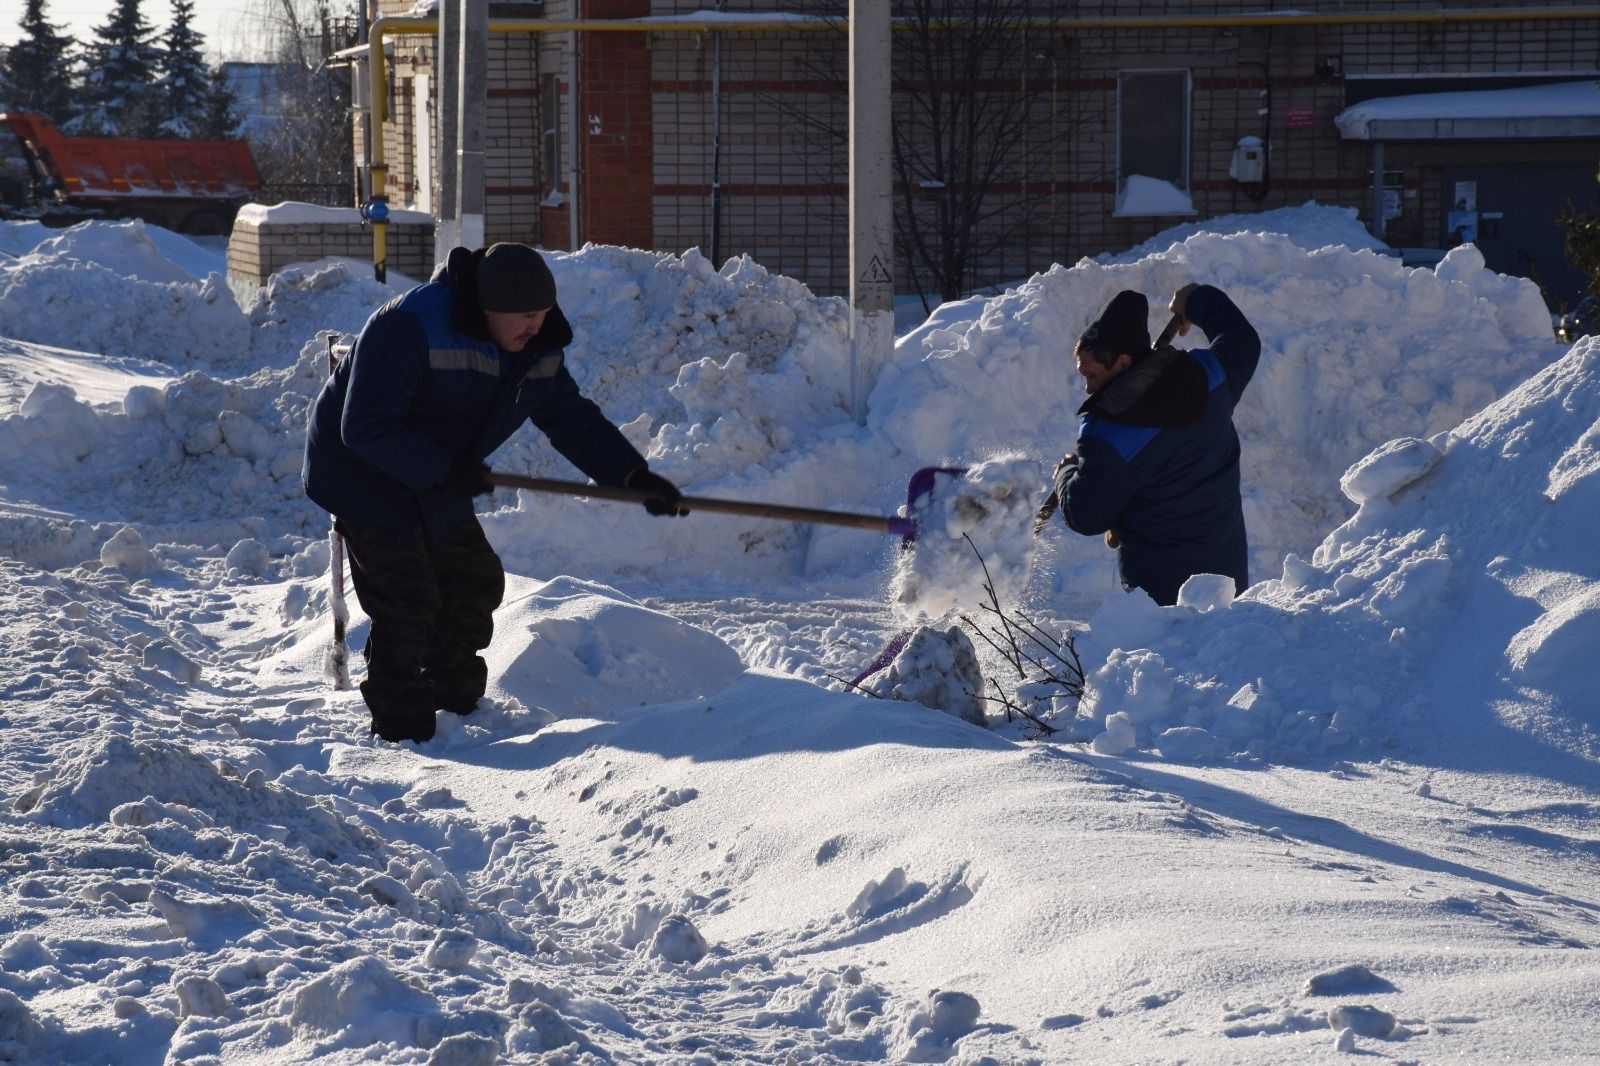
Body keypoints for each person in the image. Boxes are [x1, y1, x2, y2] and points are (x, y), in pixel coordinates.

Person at [303, 242, 687, 743]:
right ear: (486, 307)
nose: (535, 326)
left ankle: (455, 699)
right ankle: (403, 729)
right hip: (361, 474)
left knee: (472, 580)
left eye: (543, 314)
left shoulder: (534, 348)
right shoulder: (409, 326)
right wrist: (445, 470)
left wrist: (633, 477)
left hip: (436, 471)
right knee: (407, 598)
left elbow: (572, 421)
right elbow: (366, 428)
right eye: (524, 316)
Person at [1047, 283, 1261, 606]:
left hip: (1160, 605)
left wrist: (1065, 474)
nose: (1088, 388)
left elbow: (1086, 514)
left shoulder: (1108, 433)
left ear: (1121, 364)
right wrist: (1197, 300)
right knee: (1226, 655)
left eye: (1090, 375)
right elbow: (1242, 340)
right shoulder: (1208, 377)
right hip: (1226, 589)